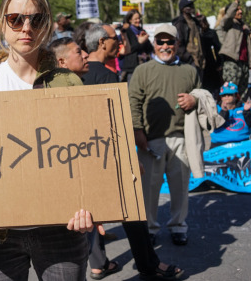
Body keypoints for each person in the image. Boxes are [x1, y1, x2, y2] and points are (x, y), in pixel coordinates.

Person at [0, 0, 99, 281]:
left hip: (61, 227)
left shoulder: (67, 83)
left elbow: (88, 154)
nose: (26, 27)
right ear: (1, 24)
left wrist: (91, 203)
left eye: (36, 19)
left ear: (46, 25)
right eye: (16, 19)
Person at [51, 36, 184, 281]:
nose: (84, 55)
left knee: (89, 213)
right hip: (95, 162)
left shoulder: (67, 83)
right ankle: (148, 264)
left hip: (86, 164)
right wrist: (128, 161)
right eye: (78, 52)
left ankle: (100, 264)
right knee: (130, 208)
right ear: (62, 61)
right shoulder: (67, 88)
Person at [129, 24, 200, 246]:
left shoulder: (190, 70)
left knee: (180, 186)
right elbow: (133, 103)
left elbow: (202, 95)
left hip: (182, 137)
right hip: (151, 139)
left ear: (178, 44)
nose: (165, 46)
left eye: (170, 41)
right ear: (153, 43)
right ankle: (150, 227)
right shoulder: (143, 70)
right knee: (149, 188)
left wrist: (195, 99)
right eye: (160, 41)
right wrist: (138, 131)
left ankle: (178, 225)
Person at [219, 0, 251, 100]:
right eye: (237, 9)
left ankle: (241, 115)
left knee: (243, 92)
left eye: (240, 9)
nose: (240, 11)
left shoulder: (244, 27)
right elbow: (228, 15)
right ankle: (229, 115)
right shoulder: (228, 24)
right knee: (230, 91)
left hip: (243, 64)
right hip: (232, 63)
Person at [210, 82, 251, 148]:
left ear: (236, 96)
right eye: (224, 95)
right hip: (221, 144)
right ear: (221, 97)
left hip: (243, 142)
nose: (226, 97)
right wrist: (224, 111)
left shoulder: (244, 107)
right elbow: (215, 125)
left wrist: (247, 112)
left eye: (229, 94)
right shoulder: (215, 108)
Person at [172, 0, 205, 76]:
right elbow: (179, 45)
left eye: (192, 5)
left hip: (200, 60)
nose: (192, 7)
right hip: (189, 62)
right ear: (183, 9)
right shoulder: (180, 23)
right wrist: (189, 58)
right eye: (189, 6)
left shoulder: (195, 22)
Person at [119, 9, 153, 82]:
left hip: (144, 65)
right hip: (132, 68)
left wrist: (146, 40)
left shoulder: (142, 31)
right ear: (130, 20)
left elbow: (150, 49)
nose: (138, 20)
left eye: (139, 18)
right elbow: (129, 50)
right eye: (136, 19)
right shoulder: (126, 32)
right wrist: (140, 42)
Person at [197, 15, 222, 97]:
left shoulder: (211, 33)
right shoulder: (196, 34)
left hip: (210, 62)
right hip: (200, 62)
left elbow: (217, 48)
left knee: (213, 86)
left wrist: (219, 63)